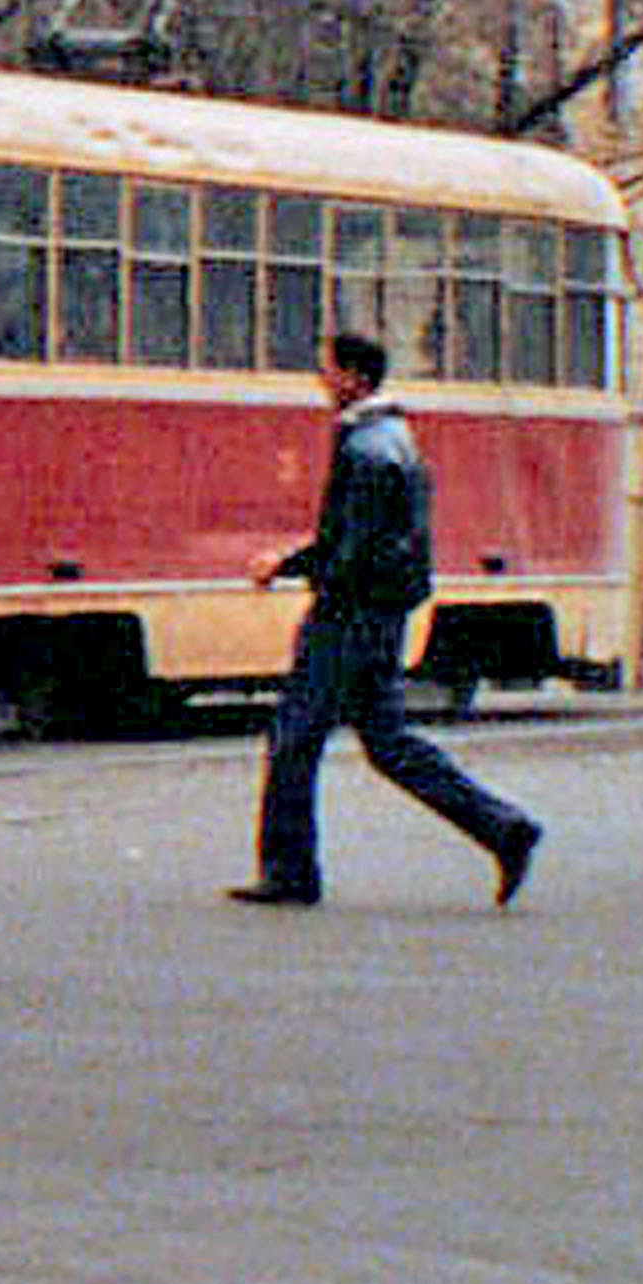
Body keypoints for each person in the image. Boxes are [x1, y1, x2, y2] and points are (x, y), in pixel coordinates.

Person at [233, 326, 542, 909]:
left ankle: (289, 871)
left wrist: (310, 579)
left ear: (354, 378)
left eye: (327, 369)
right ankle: (503, 828)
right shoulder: (393, 438)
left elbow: (351, 546)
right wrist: (292, 563)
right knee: (388, 742)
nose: (321, 380)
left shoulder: (366, 450)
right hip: (380, 617)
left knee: (295, 738)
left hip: (348, 618)